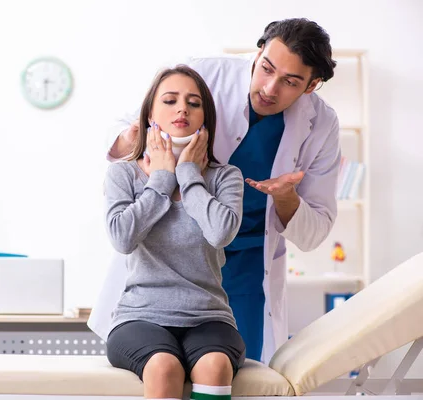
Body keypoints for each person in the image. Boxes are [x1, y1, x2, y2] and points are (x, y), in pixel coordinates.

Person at [89, 18, 341, 364]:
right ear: (257, 53)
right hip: (174, 254)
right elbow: (123, 133)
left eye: (290, 82)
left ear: (311, 86)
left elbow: (316, 231)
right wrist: (137, 142)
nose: (269, 88)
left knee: (236, 371)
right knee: (162, 366)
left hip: (249, 262)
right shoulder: (202, 76)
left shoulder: (323, 125)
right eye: (266, 68)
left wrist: (286, 198)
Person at [104, 64, 245, 400]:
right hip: (140, 317)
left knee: (214, 366)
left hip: (209, 318)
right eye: (170, 100)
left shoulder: (226, 177)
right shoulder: (123, 175)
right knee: (164, 367)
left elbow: (220, 233)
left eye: (194, 103)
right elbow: (122, 238)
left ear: (204, 119)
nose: (183, 108)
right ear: (150, 114)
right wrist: (162, 181)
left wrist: (187, 174)